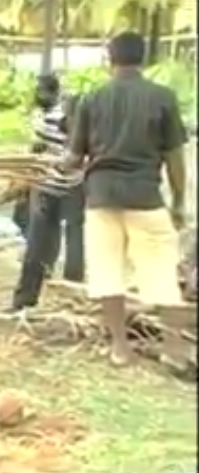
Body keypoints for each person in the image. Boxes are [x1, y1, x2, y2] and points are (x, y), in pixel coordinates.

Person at [62, 31, 189, 369]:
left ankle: (120, 349)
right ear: (143, 58)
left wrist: (51, 165)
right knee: (162, 274)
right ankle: (174, 350)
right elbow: (175, 157)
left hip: (101, 198)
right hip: (145, 197)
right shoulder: (163, 97)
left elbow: (73, 159)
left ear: (110, 59)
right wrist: (179, 201)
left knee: (108, 275)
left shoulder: (92, 99)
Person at [8, 79, 86, 312]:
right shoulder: (50, 119)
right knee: (58, 242)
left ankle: (43, 298)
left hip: (65, 186)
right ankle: (45, 299)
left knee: (59, 242)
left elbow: (69, 156)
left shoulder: (57, 119)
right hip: (55, 185)